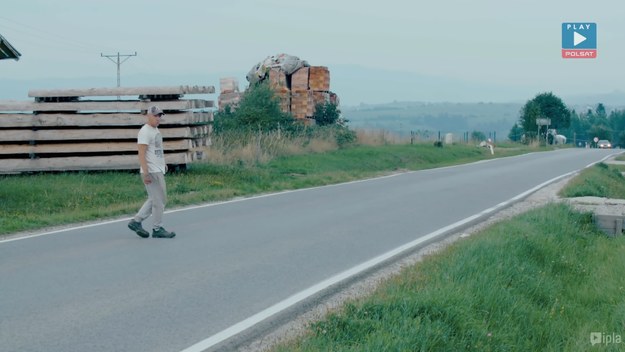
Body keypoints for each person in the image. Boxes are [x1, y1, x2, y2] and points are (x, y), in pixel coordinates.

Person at [127, 105, 176, 238]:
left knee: (155, 199)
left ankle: (136, 221)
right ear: (148, 116)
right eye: (155, 115)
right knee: (159, 200)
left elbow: (156, 150)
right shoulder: (145, 131)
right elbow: (141, 153)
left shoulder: (155, 130)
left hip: (157, 169)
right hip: (151, 171)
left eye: (160, 115)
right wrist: (146, 172)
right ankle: (157, 228)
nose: (158, 118)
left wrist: (163, 163)